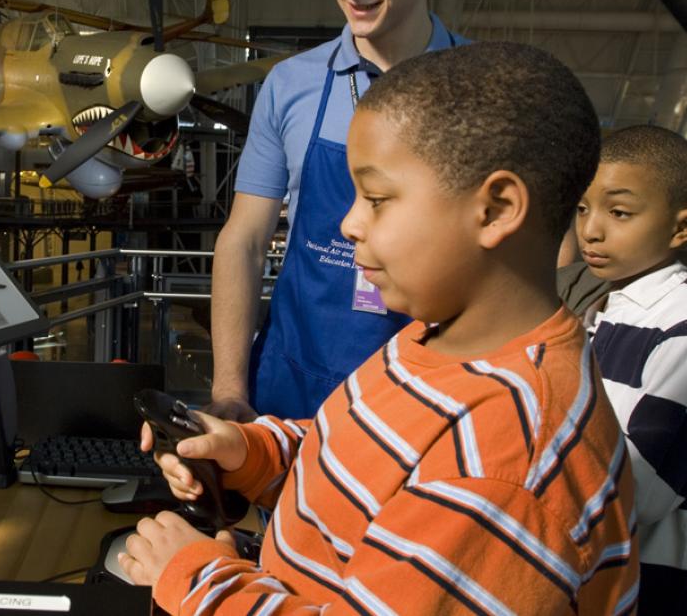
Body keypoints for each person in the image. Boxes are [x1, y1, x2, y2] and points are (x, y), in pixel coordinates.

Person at [120, 42, 639, 613]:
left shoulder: (505, 463)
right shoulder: (432, 339)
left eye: (376, 199)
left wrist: (194, 577)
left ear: (495, 209)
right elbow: (353, 468)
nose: (347, 224)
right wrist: (250, 454)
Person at [210, 0, 466, 422]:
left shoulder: (478, 86)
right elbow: (244, 241)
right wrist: (230, 389)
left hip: (425, 390)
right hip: (292, 379)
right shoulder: (291, 84)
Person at [572, 124, 687, 613]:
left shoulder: (679, 326)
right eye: (582, 208)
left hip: (651, 583)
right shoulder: (601, 309)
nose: (591, 229)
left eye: (619, 212)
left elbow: (639, 491)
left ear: (680, 227)